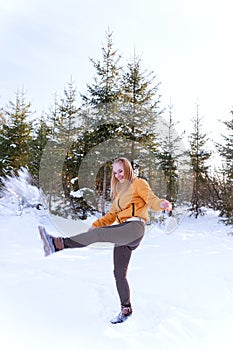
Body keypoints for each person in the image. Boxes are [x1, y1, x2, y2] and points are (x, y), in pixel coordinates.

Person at [39, 157, 172, 324]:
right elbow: (111, 216)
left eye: (121, 171)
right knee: (119, 273)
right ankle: (126, 309)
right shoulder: (118, 194)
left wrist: (162, 204)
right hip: (123, 233)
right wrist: (95, 226)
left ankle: (57, 244)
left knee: (100, 235)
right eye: (115, 172)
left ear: (128, 169)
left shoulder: (139, 184)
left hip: (134, 228)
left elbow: (151, 199)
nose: (118, 175)